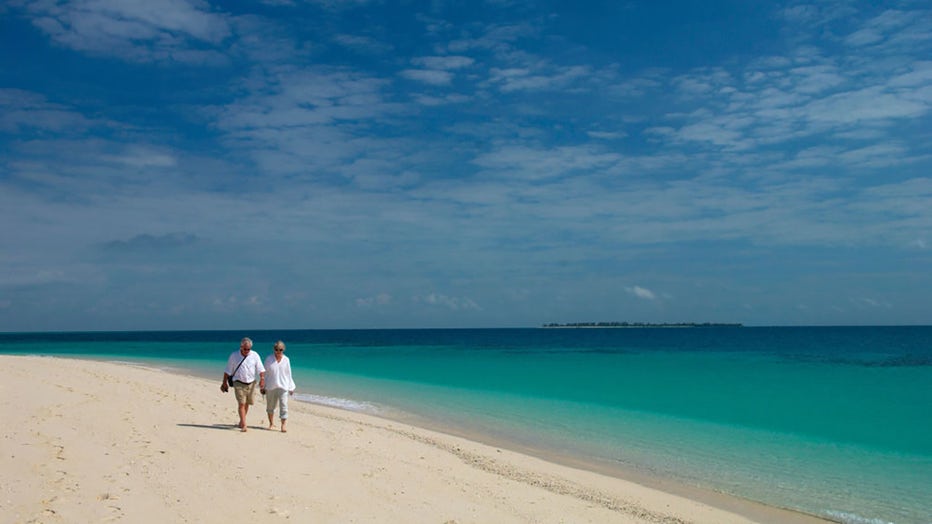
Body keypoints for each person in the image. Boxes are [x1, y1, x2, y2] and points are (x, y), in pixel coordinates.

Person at [220, 337, 265, 432]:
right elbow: (227, 370)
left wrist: (262, 379)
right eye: (245, 349)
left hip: (251, 383)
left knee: (248, 403)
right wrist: (224, 382)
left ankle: (241, 421)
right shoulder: (234, 355)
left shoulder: (255, 355)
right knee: (241, 403)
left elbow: (260, 369)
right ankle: (244, 425)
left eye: (248, 349)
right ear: (241, 347)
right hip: (238, 383)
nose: (247, 351)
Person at [261, 340, 296, 432]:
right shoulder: (269, 359)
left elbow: (289, 374)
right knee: (270, 406)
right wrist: (263, 386)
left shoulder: (286, 360)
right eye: (276, 349)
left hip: (283, 386)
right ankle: (271, 423)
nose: (278, 352)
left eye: (280, 350)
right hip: (271, 386)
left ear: (283, 350)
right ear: (274, 349)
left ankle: (283, 425)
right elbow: (265, 373)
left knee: (284, 405)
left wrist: (291, 387)